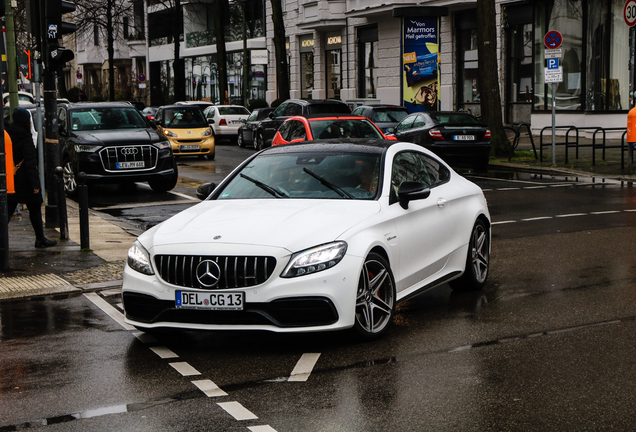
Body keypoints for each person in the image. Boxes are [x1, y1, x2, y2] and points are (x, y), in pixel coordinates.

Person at [6, 107, 57, 248]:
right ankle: (40, 239)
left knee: (7, 211)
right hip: (26, 181)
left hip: (11, 179)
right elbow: (30, 162)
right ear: (26, 121)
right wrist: (36, 184)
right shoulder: (26, 137)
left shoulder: (8, 134)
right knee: (34, 209)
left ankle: (2, 239)